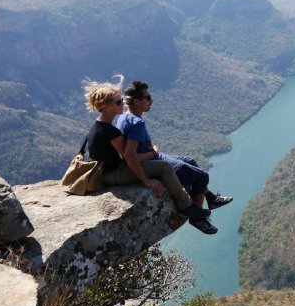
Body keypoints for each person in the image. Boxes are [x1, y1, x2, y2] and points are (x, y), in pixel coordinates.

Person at [83, 76, 215, 234]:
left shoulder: (100, 124)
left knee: (181, 163)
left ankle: (205, 199)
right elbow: (129, 157)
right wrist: (146, 180)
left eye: (122, 101)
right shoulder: (109, 131)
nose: (122, 104)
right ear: (104, 106)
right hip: (112, 174)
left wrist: (149, 153)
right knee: (165, 167)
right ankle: (186, 205)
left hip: (105, 171)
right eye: (118, 102)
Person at [116, 80, 231, 230]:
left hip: (152, 156)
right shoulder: (137, 123)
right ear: (136, 101)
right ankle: (197, 219)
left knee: (192, 161)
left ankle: (211, 198)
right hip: (150, 161)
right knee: (202, 176)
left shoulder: (126, 116)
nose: (152, 100)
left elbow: (137, 145)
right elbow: (129, 154)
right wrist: (148, 171)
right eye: (148, 98)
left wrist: (151, 148)